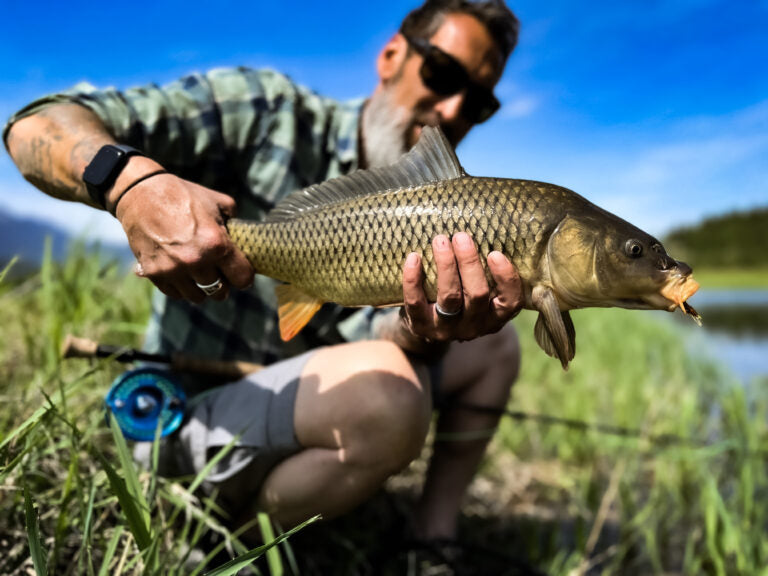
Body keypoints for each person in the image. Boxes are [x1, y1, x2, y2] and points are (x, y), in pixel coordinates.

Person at [4, 0, 522, 551]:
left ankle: (433, 539)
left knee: (494, 347)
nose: (454, 106)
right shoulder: (267, 109)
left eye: (482, 103)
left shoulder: (442, 213)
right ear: (392, 55)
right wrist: (130, 184)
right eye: (442, 73)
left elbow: (382, 338)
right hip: (191, 416)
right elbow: (34, 125)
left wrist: (426, 329)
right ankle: (229, 548)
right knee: (388, 399)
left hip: (312, 399)